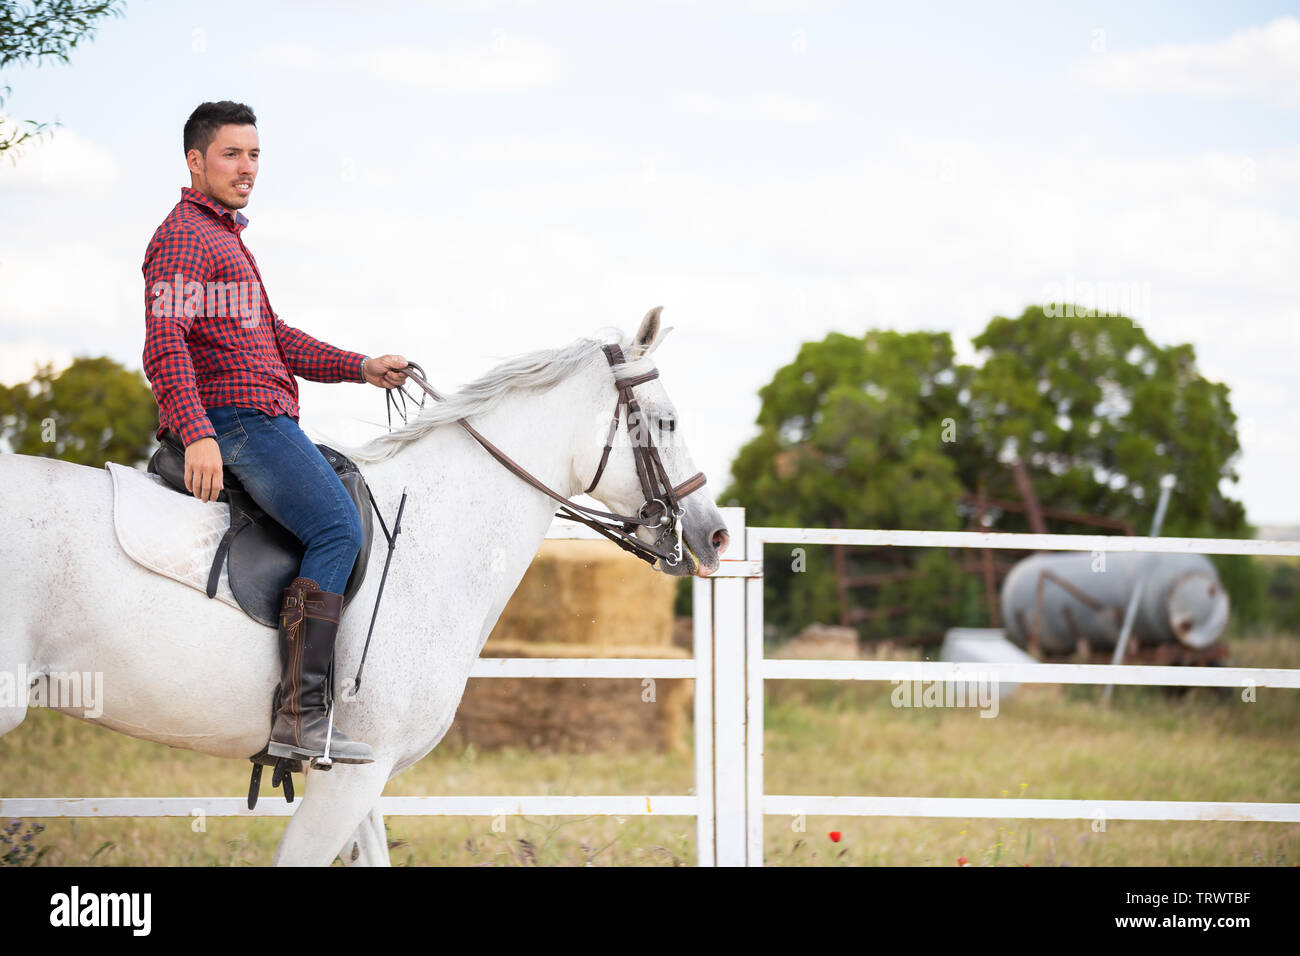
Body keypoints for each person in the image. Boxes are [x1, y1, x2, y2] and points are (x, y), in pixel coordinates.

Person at [142, 100, 407, 765]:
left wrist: (360, 366)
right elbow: (164, 343)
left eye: (255, 154)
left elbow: (278, 340)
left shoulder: (227, 237)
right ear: (195, 161)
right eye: (232, 154)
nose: (248, 168)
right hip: (237, 421)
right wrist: (196, 430)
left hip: (260, 415)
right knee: (339, 528)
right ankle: (301, 718)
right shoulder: (184, 238)